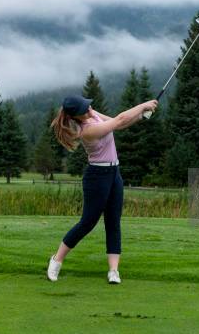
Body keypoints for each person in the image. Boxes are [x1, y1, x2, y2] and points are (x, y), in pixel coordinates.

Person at [46, 95, 158, 284]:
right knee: (88, 222)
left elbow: (119, 124)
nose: (89, 107)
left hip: (114, 173)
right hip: (97, 177)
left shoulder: (92, 115)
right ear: (77, 116)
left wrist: (140, 116)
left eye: (87, 104)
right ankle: (57, 259)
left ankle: (113, 271)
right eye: (85, 107)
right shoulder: (87, 130)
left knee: (113, 221)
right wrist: (143, 105)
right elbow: (119, 120)